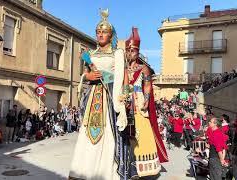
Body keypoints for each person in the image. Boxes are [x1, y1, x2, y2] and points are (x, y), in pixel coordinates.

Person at [69, 9, 129, 179]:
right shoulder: (91, 55)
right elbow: (85, 73)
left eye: (104, 32)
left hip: (110, 96)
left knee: (109, 134)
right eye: (98, 32)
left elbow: (124, 78)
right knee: (88, 133)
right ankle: (86, 169)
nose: (100, 35)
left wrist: (123, 98)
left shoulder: (117, 53)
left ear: (111, 35)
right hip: (93, 95)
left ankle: (107, 171)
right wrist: (88, 75)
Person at [125, 27, 168, 178]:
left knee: (142, 133)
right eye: (128, 51)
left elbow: (148, 86)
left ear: (138, 52)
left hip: (138, 102)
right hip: (124, 102)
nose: (130, 54)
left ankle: (141, 168)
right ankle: (126, 165)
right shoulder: (123, 69)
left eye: (133, 51)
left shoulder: (144, 69)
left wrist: (147, 101)